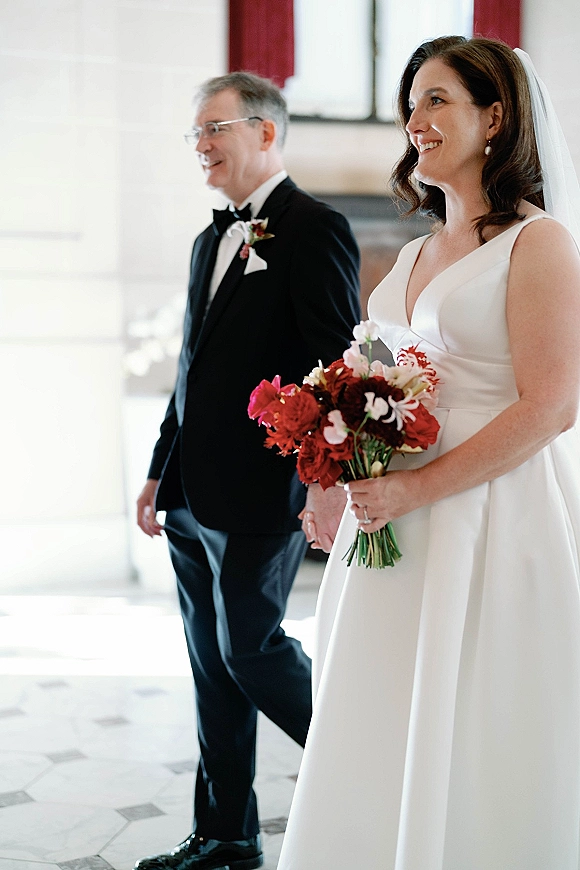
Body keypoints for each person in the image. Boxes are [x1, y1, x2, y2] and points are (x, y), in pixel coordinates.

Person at [277, 36, 580, 870]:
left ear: (496, 116)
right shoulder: (409, 255)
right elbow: (366, 386)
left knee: (476, 717)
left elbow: (553, 405)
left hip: (490, 518)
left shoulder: (538, 244)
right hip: (391, 527)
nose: (415, 121)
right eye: (412, 104)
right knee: (376, 710)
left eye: (437, 100)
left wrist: (421, 491)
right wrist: (331, 478)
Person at [133, 72, 360, 870]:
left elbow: (339, 363)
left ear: (265, 133)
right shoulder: (209, 240)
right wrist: (161, 472)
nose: (200, 145)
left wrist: (328, 478)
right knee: (210, 665)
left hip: (265, 490)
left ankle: (364, 775)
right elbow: (190, 371)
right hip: (193, 495)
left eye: (213, 128)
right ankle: (226, 835)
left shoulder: (315, 228)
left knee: (251, 650)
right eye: (193, 132)